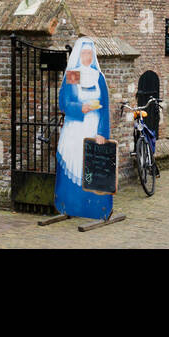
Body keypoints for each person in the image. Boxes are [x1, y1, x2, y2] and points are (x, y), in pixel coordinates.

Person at [55, 38, 111, 220]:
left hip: (93, 126)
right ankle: (71, 204)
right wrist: (81, 108)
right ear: (78, 55)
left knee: (92, 166)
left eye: (89, 54)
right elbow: (64, 103)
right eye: (84, 54)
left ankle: (94, 207)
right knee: (75, 161)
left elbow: (105, 107)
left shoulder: (98, 77)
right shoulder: (73, 75)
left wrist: (102, 132)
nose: (86, 57)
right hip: (75, 127)